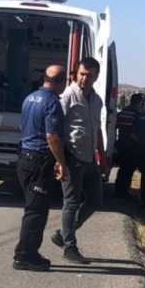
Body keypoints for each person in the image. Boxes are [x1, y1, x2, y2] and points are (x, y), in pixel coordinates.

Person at [49, 57, 105, 264]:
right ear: (76, 74)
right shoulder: (67, 96)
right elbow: (57, 129)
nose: (84, 78)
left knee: (95, 200)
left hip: (90, 157)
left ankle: (63, 235)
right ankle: (69, 247)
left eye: (89, 75)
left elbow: (97, 128)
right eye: (81, 74)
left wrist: (103, 154)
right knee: (71, 202)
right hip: (72, 156)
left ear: (96, 77)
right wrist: (59, 159)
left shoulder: (96, 100)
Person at [13, 65, 69, 271]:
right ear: (62, 83)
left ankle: (29, 252)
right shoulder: (52, 102)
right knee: (36, 210)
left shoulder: (30, 98)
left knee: (33, 206)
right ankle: (24, 255)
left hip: (25, 157)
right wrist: (61, 162)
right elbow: (51, 136)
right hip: (39, 160)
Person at [113, 93, 145, 200]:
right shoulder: (136, 115)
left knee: (122, 168)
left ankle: (118, 189)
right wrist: (141, 143)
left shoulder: (122, 112)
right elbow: (132, 133)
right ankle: (124, 192)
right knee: (129, 170)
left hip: (120, 144)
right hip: (131, 147)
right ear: (139, 102)